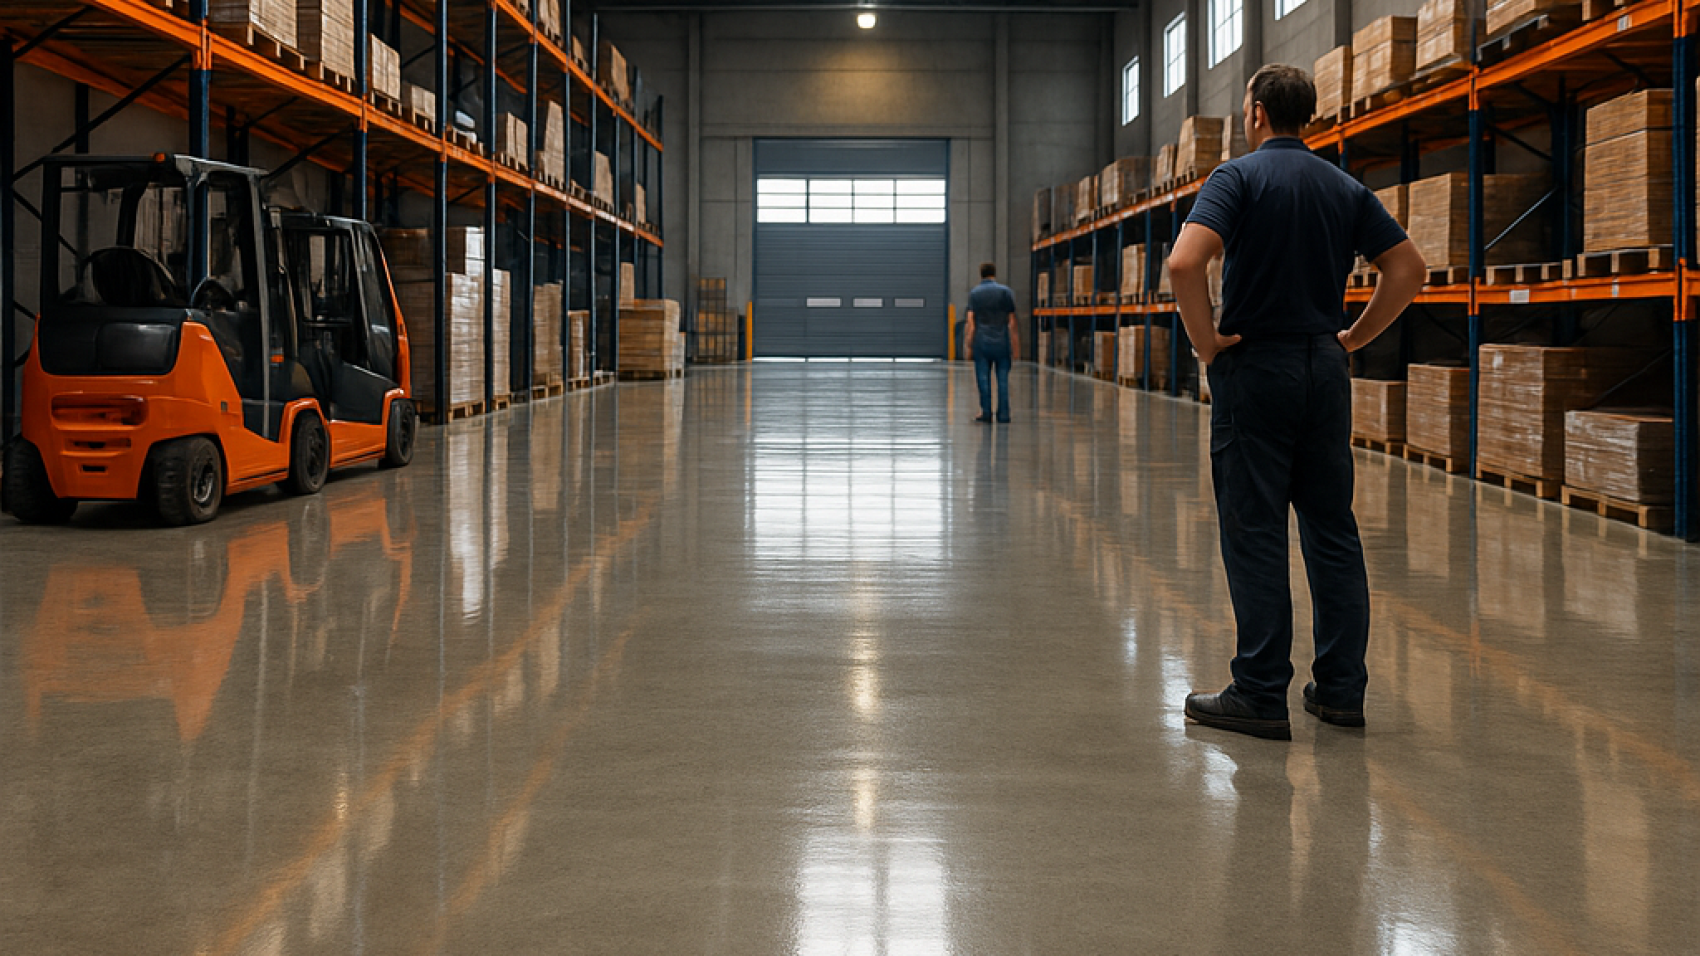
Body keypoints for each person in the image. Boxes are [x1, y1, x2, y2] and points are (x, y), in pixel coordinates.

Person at [1168, 64, 1427, 740]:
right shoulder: (1343, 187)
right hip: (1323, 366)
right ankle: (1340, 690)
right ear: (1306, 116)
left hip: (1256, 368)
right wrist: (1352, 337)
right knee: (1331, 529)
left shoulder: (1238, 178)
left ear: (1255, 114)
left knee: (1254, 530)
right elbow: (1408, 268)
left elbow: (1184, 263)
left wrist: (1206, 343)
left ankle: (1258, 692)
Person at [964, 262, 1020, 423]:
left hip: (982, 341)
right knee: (1003, 379)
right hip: (1002, 341)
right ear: (994, 273)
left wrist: (969, 343)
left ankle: (986, 412)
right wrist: (1015, 347)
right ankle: (1003, 414)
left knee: (983, 378)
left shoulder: (975, 293)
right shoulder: (1006, 292)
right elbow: (1012, 321)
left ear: (981, 274)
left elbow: (971, 321)